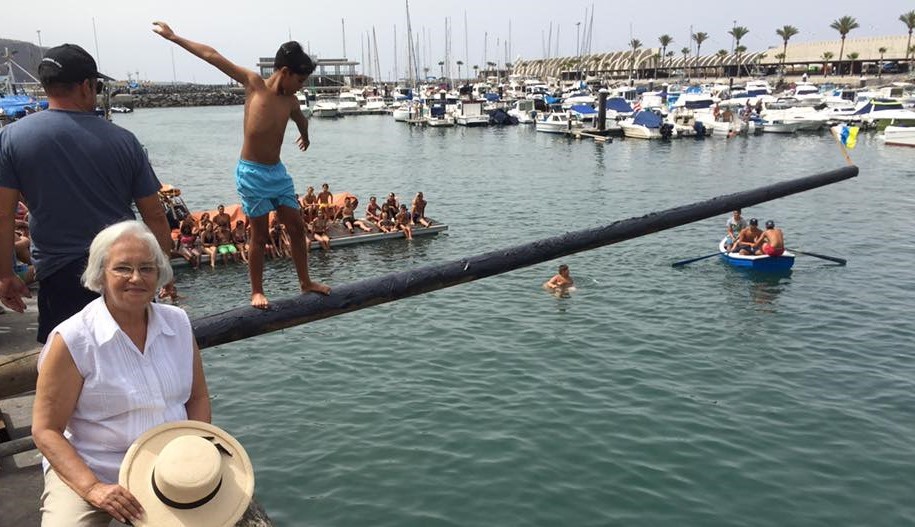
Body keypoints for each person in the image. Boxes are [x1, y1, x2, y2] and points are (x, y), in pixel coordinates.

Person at [31, 221, 210, 526]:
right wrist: (92, 488)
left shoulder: (178, 322)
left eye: (147, 268)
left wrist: (194, 453)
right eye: (123, 268)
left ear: (159, 274)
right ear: (100, 274)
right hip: (93, 468)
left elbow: (198, 398)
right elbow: (46, 430)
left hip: (170, 467)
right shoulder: (73, 339)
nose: (136, 278)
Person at [0, 44, 174, 342]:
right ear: (85, 86)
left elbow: (3, 215)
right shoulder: (124, 141)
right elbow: (155, 215)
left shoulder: (12, 138)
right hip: (120, 269)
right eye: (97, 86)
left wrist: (5, 275)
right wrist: (162, 272)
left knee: (66, 361)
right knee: (133, 354)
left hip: (58, 276)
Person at [154, 22, 330, 309]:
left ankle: (305, 282)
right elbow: (212, 56)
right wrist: (174, 37)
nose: (301, 86)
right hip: (252, 172)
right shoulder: (254, 84)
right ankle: (257, 291)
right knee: (259, 234)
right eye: (300, 80)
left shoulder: (291, 101)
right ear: (285, 72)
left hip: (277, 172)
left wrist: (305, 136)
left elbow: (301, 119)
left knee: (297, 228)